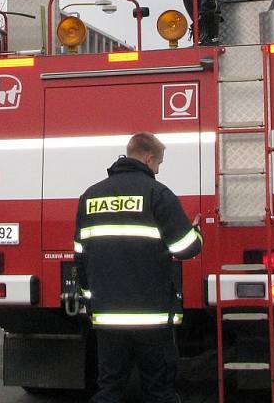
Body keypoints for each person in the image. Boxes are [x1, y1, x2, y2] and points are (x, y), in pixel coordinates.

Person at [74, 132, 202, 403]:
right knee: (159, 391)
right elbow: (186, 249)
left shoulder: (90, 196)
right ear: (148, 158)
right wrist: (195, 231)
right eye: (159, 163)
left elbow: (80, 257)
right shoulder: (157, 193)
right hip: (152, 318)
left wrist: (89, 298)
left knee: (109, 389)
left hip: (107, 318)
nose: (158, 169)